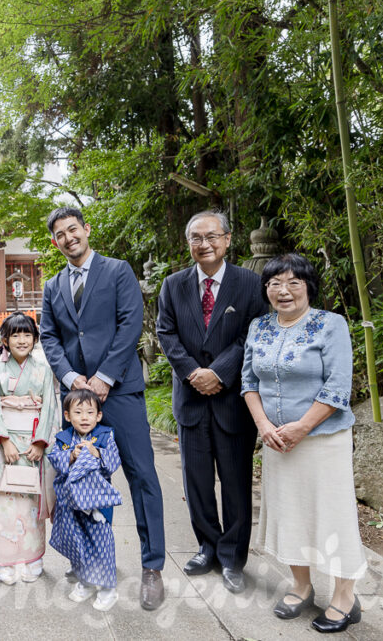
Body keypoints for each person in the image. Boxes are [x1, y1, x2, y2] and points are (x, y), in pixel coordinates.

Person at [39, 206, 167, 611]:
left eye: (72, 229)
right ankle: (84, 560)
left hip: (120, 391)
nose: (68, 238)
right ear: (55, 241)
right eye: (60, 234)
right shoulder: (53, 284)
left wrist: (104, 377)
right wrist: (71, 376)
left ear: (86, 229)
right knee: (76, 476)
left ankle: (152, 567)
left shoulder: (117, 270)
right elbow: (49, 335)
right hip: (76, 398)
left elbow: (130, 323)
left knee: (141, 474)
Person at [241, 253, 366, 633]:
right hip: (276, 442)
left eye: (294, 282)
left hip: (322, 440)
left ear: (309, 287)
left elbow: (337, 386)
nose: (284, 290)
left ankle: (345, 595)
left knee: (332, 513)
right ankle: (301, 585)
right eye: (275, 283)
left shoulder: (331, 325)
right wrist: (264, 426)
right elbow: (248, 382)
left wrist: (301, 427)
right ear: (266, 289)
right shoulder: (258, 326)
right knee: (289, 510)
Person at [155, 210, 269, 594]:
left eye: (211, 236)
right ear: (189, 244)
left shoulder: (251, 283)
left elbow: (253, 333)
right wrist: (193, 374)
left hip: (232, 398)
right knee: (197, 481)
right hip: (190, 398)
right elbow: (166, 333)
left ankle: (234, 557)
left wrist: (218, 372)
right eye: (196, 238)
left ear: (227, 239)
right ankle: (207, 547)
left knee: (236, 482)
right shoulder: (173, 285)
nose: (204, 244)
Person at [0, 311, 58, 585]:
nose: (22, 340)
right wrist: (3, 440)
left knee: (31, 503)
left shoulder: (43, 369)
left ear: (35, 338)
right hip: (8, 446)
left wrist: (40, 442)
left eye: (28, 334)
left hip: (33, 447)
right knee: (5, 502)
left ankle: (32, 558)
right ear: (5, 339)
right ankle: (3, 560)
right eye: (16, 335)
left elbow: (50, 406)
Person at [48, 389, 122, 612]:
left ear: (98, 416)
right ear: (68, 416)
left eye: (90, 412)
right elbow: (55, 459)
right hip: (71, 504)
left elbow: (114, 462)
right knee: (77, 541)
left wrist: (96, 453)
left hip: (97, 504)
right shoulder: (63, 439)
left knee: (102, 543)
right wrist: (71, 455)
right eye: (78, 412)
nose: (84, 417)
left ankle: (109, 588)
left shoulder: (105, 436)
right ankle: (86, 581)